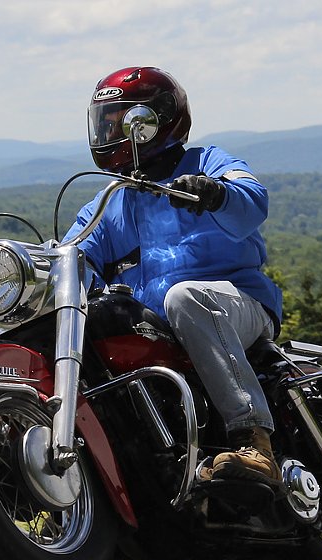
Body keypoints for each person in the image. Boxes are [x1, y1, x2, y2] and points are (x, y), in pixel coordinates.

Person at [64, 66, 283, 485]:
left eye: (120, 121)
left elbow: (254, 199)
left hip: (238, 305)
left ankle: (255, 441)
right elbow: (71, 256)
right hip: (158, 329)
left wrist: (216, 192)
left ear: (152, 122)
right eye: (103, 122)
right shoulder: (111, 200)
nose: (109, 132)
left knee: (184, 296)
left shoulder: (208, 161)